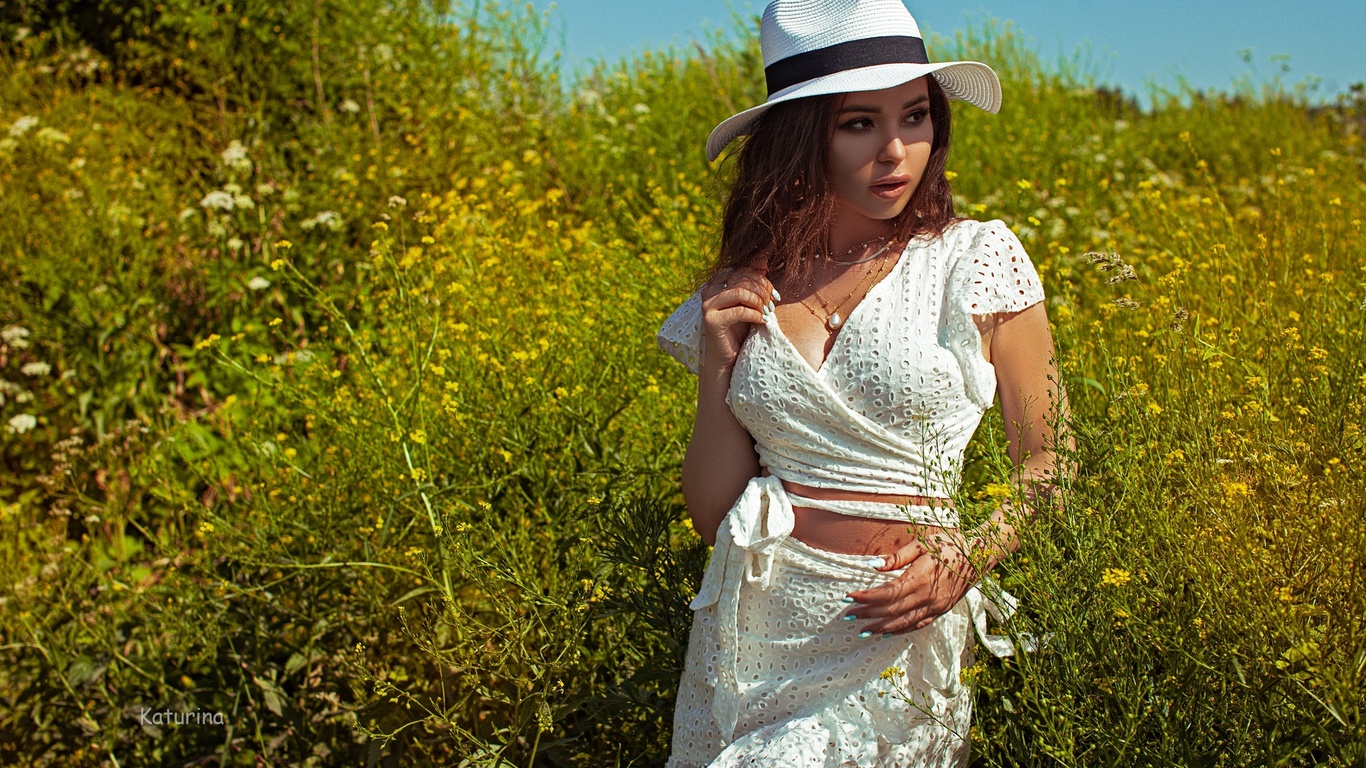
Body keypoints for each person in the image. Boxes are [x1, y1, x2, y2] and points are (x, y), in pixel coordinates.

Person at [656, 0, 1070, 765]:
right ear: (800, 136)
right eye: (858, 124)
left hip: (897, 632)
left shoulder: (974, 258)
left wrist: (967, 559)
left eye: (914, 117)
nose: (895, 151)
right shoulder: (742, 289)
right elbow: (716, 517)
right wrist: (720, 363)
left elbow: (1051, 462)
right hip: (756, 628)